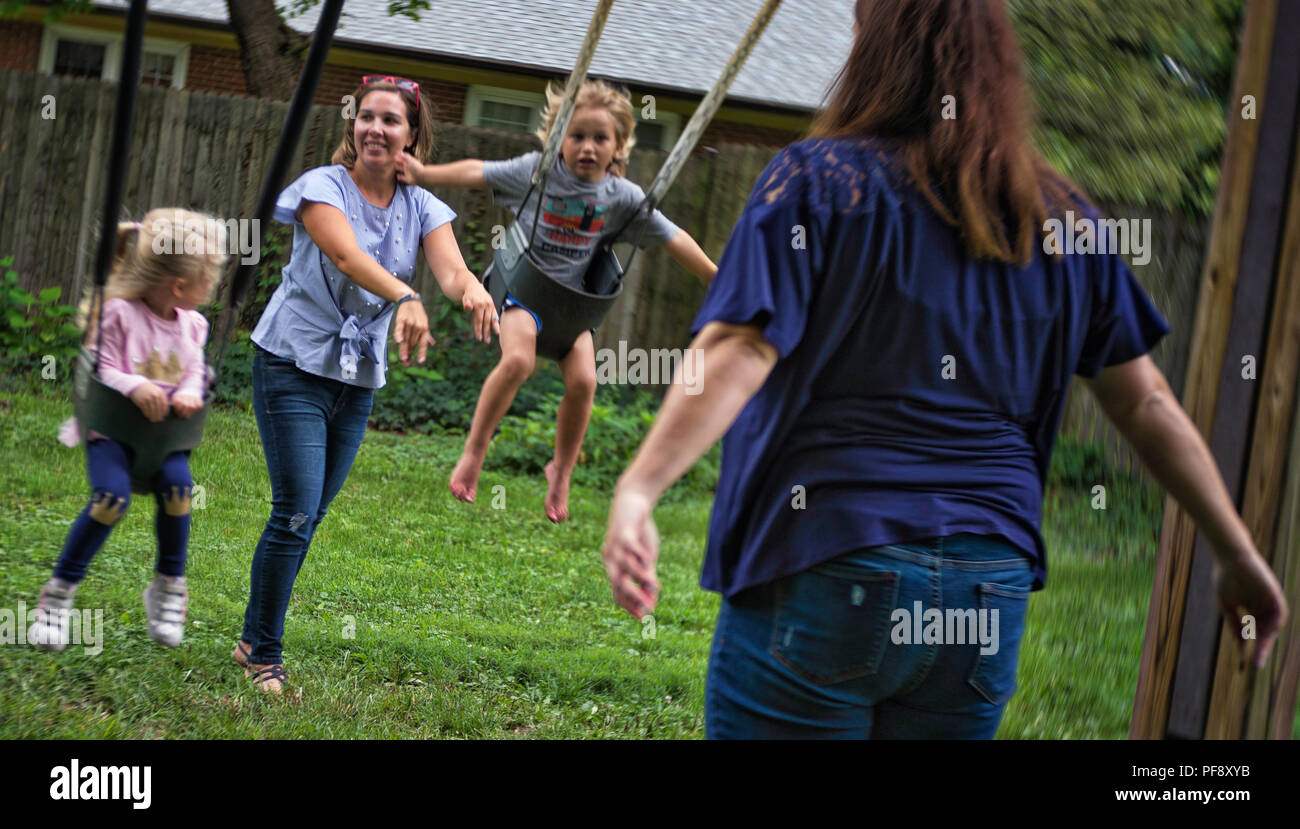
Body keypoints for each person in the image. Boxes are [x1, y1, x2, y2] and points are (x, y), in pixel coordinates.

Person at [601, 0, 1288, 739]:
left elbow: (743, 347)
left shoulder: (816, 183)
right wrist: (1235, 549)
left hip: (829, 557)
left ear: (873, 48)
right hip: (985, 585)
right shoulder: (1062, 219)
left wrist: (640, 486)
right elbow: (1146, 400)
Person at [233, 76, 498, 694]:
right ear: (353, 126)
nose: (375, 128)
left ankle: (251, 636)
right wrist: (407, 296)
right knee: (295, 510)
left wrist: (474, 291)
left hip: (356, 379)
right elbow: (350, 257)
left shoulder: (424, 205)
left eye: (391, 121)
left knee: (311, 515)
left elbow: (452, 270)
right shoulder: (322, 187)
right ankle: (265, 652)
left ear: (412, 137)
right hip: (292, 364)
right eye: (367, 117)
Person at [397, 78, 717, 523]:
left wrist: (717, 278)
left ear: (619, 145)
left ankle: (561, 469)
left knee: (586, 381)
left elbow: (673, 238)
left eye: (600, 138)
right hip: (521, 293)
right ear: (557, 138)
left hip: (571, 310)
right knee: (518, 362)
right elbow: (479, 171)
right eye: (576, 136)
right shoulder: (539, 171)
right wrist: (426, 174)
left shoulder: (623, 198)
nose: (587, 147)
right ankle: (474, 452)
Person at [31, 210, 228, 652]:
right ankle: (58, 596)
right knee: (109, 499)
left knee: (179, 490)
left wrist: (192, 391)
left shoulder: (194, 325)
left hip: (166, 441)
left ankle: (168, 588)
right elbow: (100, 368)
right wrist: (137, 385)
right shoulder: (118, 314)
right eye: (208, 282)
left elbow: (197, 369)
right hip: (113, 434)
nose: (211, 292)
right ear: (179, 286)